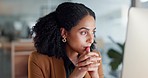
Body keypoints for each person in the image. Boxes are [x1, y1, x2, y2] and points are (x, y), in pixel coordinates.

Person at [28, 2, 104, 78]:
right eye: (84, 32)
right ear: (64, 33)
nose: (91, 39)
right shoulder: (38, 60)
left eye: (93, 32)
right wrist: (79, 72)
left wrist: (95, 75)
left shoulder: (95, 58)